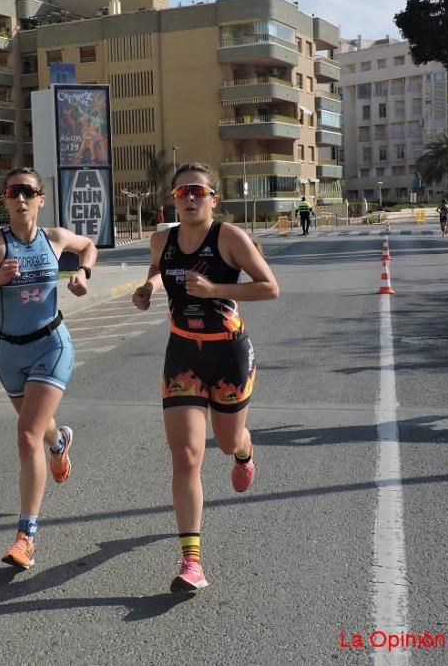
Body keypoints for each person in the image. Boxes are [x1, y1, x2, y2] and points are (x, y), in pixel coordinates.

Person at [131, 162, 279, 592]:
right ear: (173, 199)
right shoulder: (162, 239)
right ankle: (192, 561)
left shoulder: (229, 237)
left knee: (228, 439)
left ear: (214, 198)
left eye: (198, 191)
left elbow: (269, 287)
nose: (190, 198)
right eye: (182, 193)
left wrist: (215, 291)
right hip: (182, 353)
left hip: (228, 351)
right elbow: (158, 274)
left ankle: (244, 452)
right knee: (186, 455)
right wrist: (147, 291)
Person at [0, 167, 97, 569]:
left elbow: (88, 248)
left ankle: (25, 536)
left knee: (27, 433)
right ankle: (60, 444)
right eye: (13, 192)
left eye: (28, 192)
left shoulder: (54, 239)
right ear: (4, 198)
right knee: (39, 428)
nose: (20, 199)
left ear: (40, 198)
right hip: (8, 352)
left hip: (51, 343)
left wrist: (83, 273)